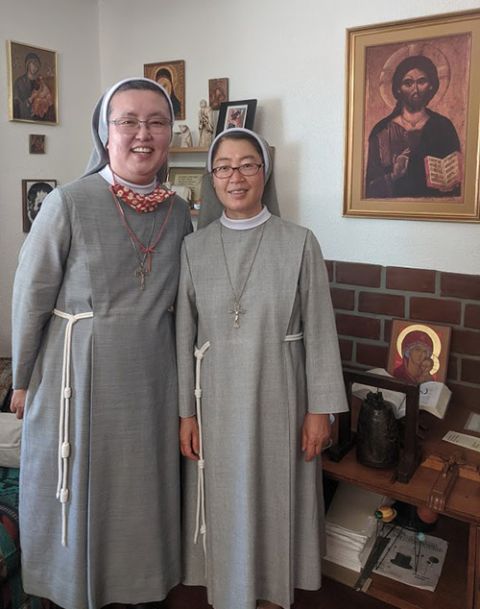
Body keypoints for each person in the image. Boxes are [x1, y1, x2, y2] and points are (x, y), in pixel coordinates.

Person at [10, 77, 192, 609]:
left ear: (170, 135)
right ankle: (72, 591)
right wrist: (22, 379)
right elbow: (30, 295)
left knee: (138, 495)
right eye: (128, 121)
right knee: (81, 492)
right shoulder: (68, 201)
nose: (143, 134)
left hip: (154, 376)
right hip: (79, 374)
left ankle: (138, 587)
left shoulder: (179, 211)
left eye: (157, 122)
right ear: (104, 132)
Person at [176, 128, 349, 609]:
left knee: (277, 498)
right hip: (213, 400)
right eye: (224, 167)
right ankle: (227, 588)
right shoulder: (194, 248)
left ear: (264, 173)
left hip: (282, 395)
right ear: (212, 179)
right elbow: (182, 338)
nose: (236, 177)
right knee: (224, 498)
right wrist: (185, 414)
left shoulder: (299, 242)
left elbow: (320, 330)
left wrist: (322, 411)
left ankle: (272, 591)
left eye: (248, 164)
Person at [365, 54, 461, 198]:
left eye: (421, 81)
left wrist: (451, 182)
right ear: (398, 89)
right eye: (408, 83)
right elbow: (369, 189)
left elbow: (457, 184)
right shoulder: (382, 131)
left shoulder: (443, 127)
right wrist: (394, 175)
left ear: (431, 86)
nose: (415, 89)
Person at [13, 52, 42, 120]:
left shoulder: (40, 83)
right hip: (24, 118)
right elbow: (16, 104)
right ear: (28, 64)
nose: (35, 67)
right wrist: (30, 99)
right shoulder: (19, 82)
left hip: (38, 119)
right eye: (33, 64)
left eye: (37, 65)